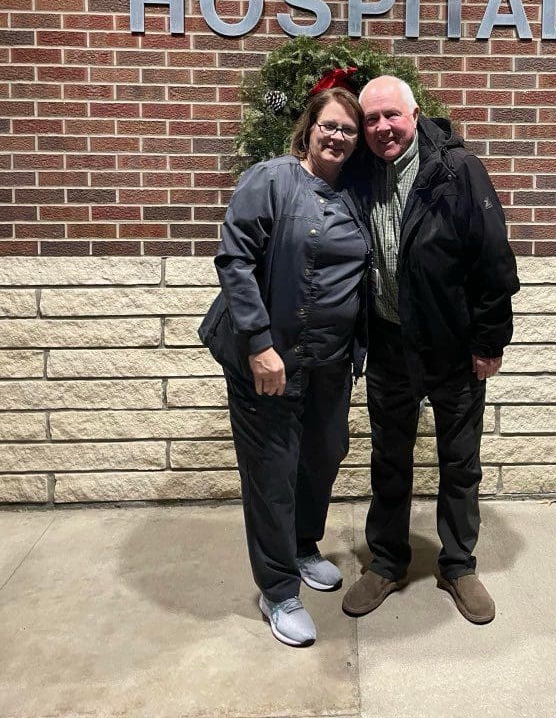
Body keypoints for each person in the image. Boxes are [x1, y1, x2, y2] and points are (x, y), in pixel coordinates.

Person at [342, 76, 519, 625]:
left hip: (452, 349)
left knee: (459, 463)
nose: (381, 128)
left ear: (415, 114)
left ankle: (458, 565)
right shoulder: (358, 172)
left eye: (390, 115)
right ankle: (388, 561)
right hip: (391, 346)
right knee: (388, 459)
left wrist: (489, 342)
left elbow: (494, 262)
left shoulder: (457, 171)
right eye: (371, 120)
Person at [199, 86, 371, 648]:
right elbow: (235, 257)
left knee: (323, 456)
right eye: (330, 125)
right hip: (267, 363)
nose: (338, 136)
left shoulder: (358, 197)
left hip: (330, 362)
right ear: (310, 127)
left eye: (349, 129)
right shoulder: (270, 178)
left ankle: (301, 547)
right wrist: (257, 342)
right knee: (272, 473)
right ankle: (278, 590)